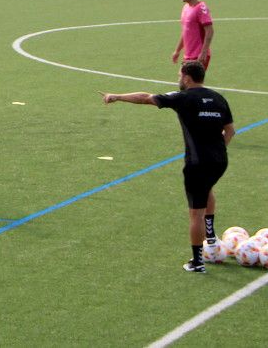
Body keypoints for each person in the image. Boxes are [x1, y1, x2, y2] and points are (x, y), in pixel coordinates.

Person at [101, 61, 235, 274]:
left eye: (179, 75)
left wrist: (116, 96)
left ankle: (197, 262)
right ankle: (211, 236)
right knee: (207, 188)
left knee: (195, 214)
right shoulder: (219, 98)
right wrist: (219, 151)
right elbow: (230, 130)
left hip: (197, 163)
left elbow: (146, 98)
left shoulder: (183, 98)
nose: (178, 79)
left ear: (187, 78)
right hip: (220, 161)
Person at [171, 0, 214, 70]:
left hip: (198, 55)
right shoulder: (186, 7)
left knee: (188, 82)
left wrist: (204, 52)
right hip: (188, 55)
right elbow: (186, 31)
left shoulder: (201, 8)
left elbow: (209, 31)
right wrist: (177, 50)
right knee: (186, 82)